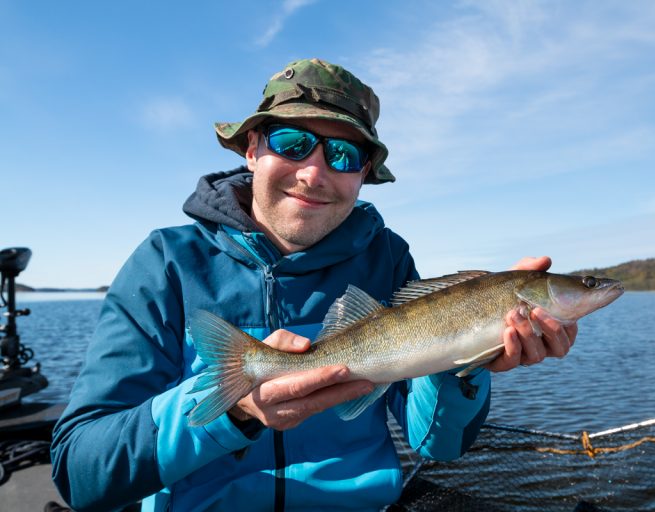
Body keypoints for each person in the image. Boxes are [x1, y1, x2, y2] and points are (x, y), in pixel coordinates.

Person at [50, 58, 577, 512]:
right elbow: (82, 474)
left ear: (363, 173)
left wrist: (468, 364)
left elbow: (439, 445)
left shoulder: (387, 258)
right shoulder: (166, 262)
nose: (313, 173)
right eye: (293, 142)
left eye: (343, 155)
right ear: (252, 148)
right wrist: (234, 410)